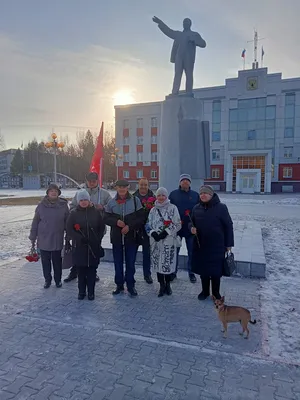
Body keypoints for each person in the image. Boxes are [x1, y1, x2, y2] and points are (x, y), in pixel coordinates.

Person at [64, 172, 111, 283]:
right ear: (87, 181)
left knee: (94, 252)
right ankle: (74, 271)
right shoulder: (80, 193)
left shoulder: (104, 194)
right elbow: (72, 207)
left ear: (97, 181)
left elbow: (111, 207)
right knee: (78, 252)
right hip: (80, 231)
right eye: (89, 181)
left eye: (94, 181)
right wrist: (78, 212)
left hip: (96, 230)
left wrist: (103, 207)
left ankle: (92, 273)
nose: (91, 183)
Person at [190, 185, 234, 300]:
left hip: (217, 245)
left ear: (211, 195)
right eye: (201, 193)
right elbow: (191, 222)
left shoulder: (221, 208)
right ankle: (205, 291)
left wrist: (228, 244)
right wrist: (191, 228)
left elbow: (228, 226)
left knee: (216, 271)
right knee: (204, 271)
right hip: (201, 245)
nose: (203, 195)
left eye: (206, 193)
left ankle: (215, 293)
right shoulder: (196, 208)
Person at [104, 180, 145, 297]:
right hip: (117, 238)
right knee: (118, 263)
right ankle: (119, 285)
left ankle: (131, 285)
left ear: (127, 187)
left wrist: (129, 226)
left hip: (131, 238)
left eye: (124, 187)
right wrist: (116, 221)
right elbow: (105, 218)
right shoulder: (111, 202)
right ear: (116, 188)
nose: (122, 189)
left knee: (130, 263)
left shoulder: (135, 201)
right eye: (119, 187)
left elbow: (141, 218)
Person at [66, 190, 105, 300]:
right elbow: (69, 229)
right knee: (81, 272)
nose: (83, 202)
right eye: (81, 200)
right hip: (80, 247)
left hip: (93, 247)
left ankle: (91, 292)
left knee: (92, 271)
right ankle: (81, 292)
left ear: (89, 200)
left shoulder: (96, 212)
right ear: (78, 201)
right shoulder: (74, 214)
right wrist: (79, 238)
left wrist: (97, 239)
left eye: (85, 200)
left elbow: (101, 227)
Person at [29, 184, 69, 288]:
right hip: (43, 238)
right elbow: (35, 221)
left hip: (57, 237)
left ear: (58, 193)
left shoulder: (63, 205)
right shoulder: (41, 205)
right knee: (45, 261)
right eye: (51, 191)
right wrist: (33, 236)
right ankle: (47, 280)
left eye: (55, 191)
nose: (53, 192)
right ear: (48, 193)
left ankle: (58, 280)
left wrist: (69, 235)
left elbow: (67, 221)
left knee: (57, 261)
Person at [146, 187, 181, 297]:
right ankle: (161, 286)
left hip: (168, 242)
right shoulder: (153, 210)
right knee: (158, 264)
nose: (161, 197)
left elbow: (178, 223)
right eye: (159, 195)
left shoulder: (173, 208)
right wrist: (152, 233)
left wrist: (166, 232)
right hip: (155, 242)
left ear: (166, 196)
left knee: (167, 263)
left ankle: (168, 285)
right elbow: (147, 224)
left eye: (163, 195)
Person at [169, 174, 199, 283]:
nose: (185, 182)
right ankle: (173, 272)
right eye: (183, 180)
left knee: (191, 252)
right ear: (180, 182)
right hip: (176, 229)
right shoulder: (173, 194)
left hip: (190, 229)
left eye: (187, 180)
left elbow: (199, 211)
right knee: (174, 252)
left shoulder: (195, 195)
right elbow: (169, 210)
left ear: (190, 183)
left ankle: (191, 273)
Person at [133, 178, 155, 284]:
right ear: (138, 185)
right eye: (141, 184)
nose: (143, 187)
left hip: (147, 230)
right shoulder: (133, 197)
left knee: (147, 253)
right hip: (135, 229)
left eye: (145, 185)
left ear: (148, 185)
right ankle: (130, 274)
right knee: (132, 253)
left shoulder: (153, 197)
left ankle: (147, 274)